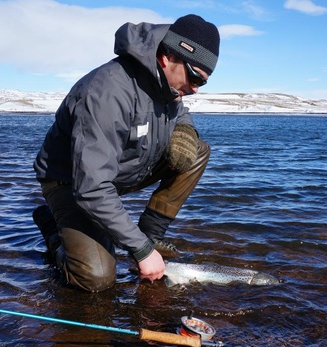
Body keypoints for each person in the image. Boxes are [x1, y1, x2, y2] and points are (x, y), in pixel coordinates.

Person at [32, 14, 220, 292]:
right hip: (71, 182)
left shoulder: (167, 85)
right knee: (96, 279)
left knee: (197, 151)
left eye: (202, 83)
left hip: (113, 171)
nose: (194, 89)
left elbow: (180, 112)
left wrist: (185, 130)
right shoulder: (108, 92)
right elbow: (92, 187)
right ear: (168, 57)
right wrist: (141, 251)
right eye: (195, 78)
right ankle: (53, 231)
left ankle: (149, 234)